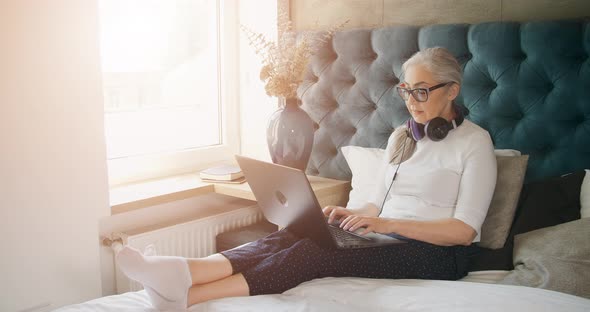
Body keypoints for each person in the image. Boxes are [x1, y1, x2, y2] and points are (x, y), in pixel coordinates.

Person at [116, 47, 497, 310]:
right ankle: (183, 271)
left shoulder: (475, 144)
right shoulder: (402, 136)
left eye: (421, 91)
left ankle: (185, 298)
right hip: (381, 235)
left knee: (313, 254)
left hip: (439, 256)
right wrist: (346, 214)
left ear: (452, 91)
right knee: (296, 234)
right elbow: (374, 204)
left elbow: (464, 231)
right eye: (405, 90)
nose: (411, 101)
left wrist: (385, 223)